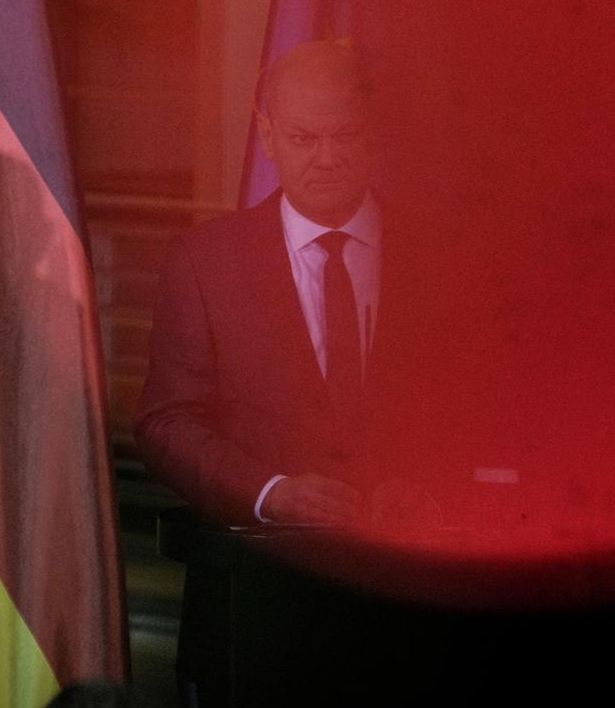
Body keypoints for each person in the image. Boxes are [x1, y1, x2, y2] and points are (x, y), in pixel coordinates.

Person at [134, 39, 429, 527]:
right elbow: (165, 425)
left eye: (345, 134)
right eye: (303, 139)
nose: (328, 158)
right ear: (267, 139)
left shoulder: (439, 262)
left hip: (411, 579)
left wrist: (433, 489)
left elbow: (483, 414)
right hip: (255, 577)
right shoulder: (205, 263)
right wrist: (268, 493)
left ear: (373, 132)